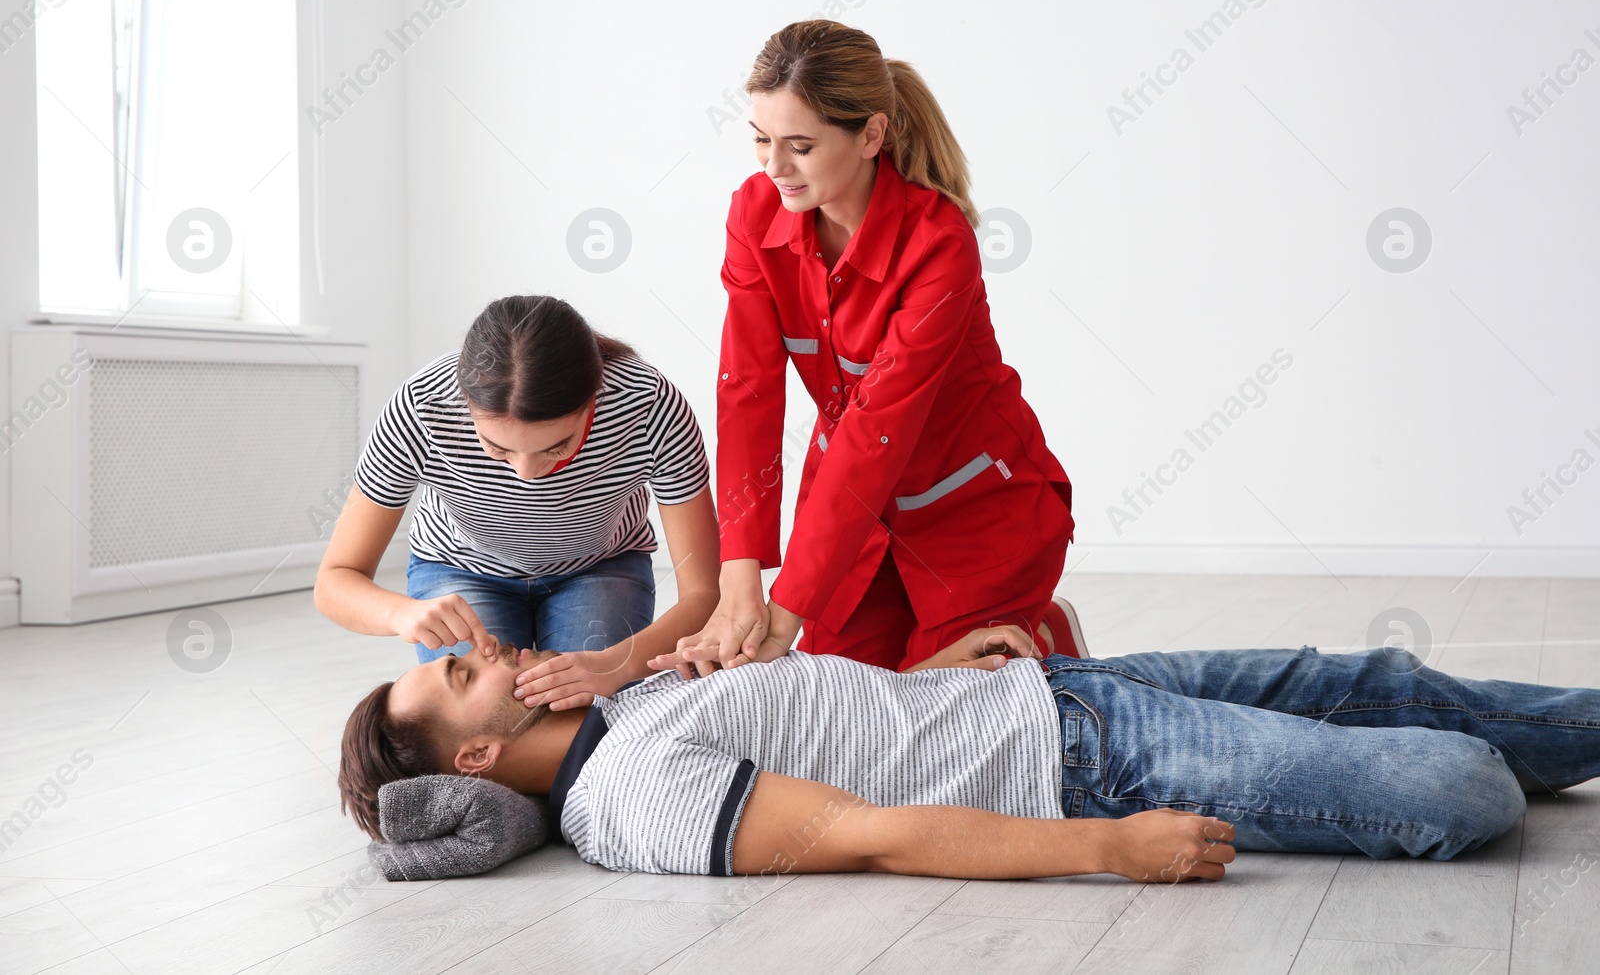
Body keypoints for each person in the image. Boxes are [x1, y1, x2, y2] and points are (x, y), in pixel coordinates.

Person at [337, 626, 1600, 883]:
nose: (484, 645)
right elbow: (871, 833)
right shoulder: (630, 802)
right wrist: (1111, 845)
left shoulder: (624, 707)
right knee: (1457, 785)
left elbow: (839, 716)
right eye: (460, 674)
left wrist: (942, 672)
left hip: (1047, 690)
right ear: (485, 749)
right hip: (1087, 772)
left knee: (1367, 678)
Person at [676, 19, 1082, 677]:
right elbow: (747, 391)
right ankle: (1031, 638)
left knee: (935, 712)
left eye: (800, 145)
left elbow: (876, 430)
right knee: (844, 699)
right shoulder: (754, 214)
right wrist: (740, 570)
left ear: (871, 134)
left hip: (975, 515)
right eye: (761, 140)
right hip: (854, 522)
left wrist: (788, 608)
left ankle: (1041, 636)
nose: (774, 166)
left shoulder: (938, 243)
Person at [315, 294, 722, 710]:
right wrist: (400, 614)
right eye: (497, 448)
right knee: (492, 714)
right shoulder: (421, 406)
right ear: (465, 404)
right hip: (460, 568)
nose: (527, 474)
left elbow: (704, 593)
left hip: (600, 567)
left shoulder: (650, 405)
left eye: (558, 447)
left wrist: (614, 664)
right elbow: (335, 579)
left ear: (595, 398)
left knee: (580, 714)